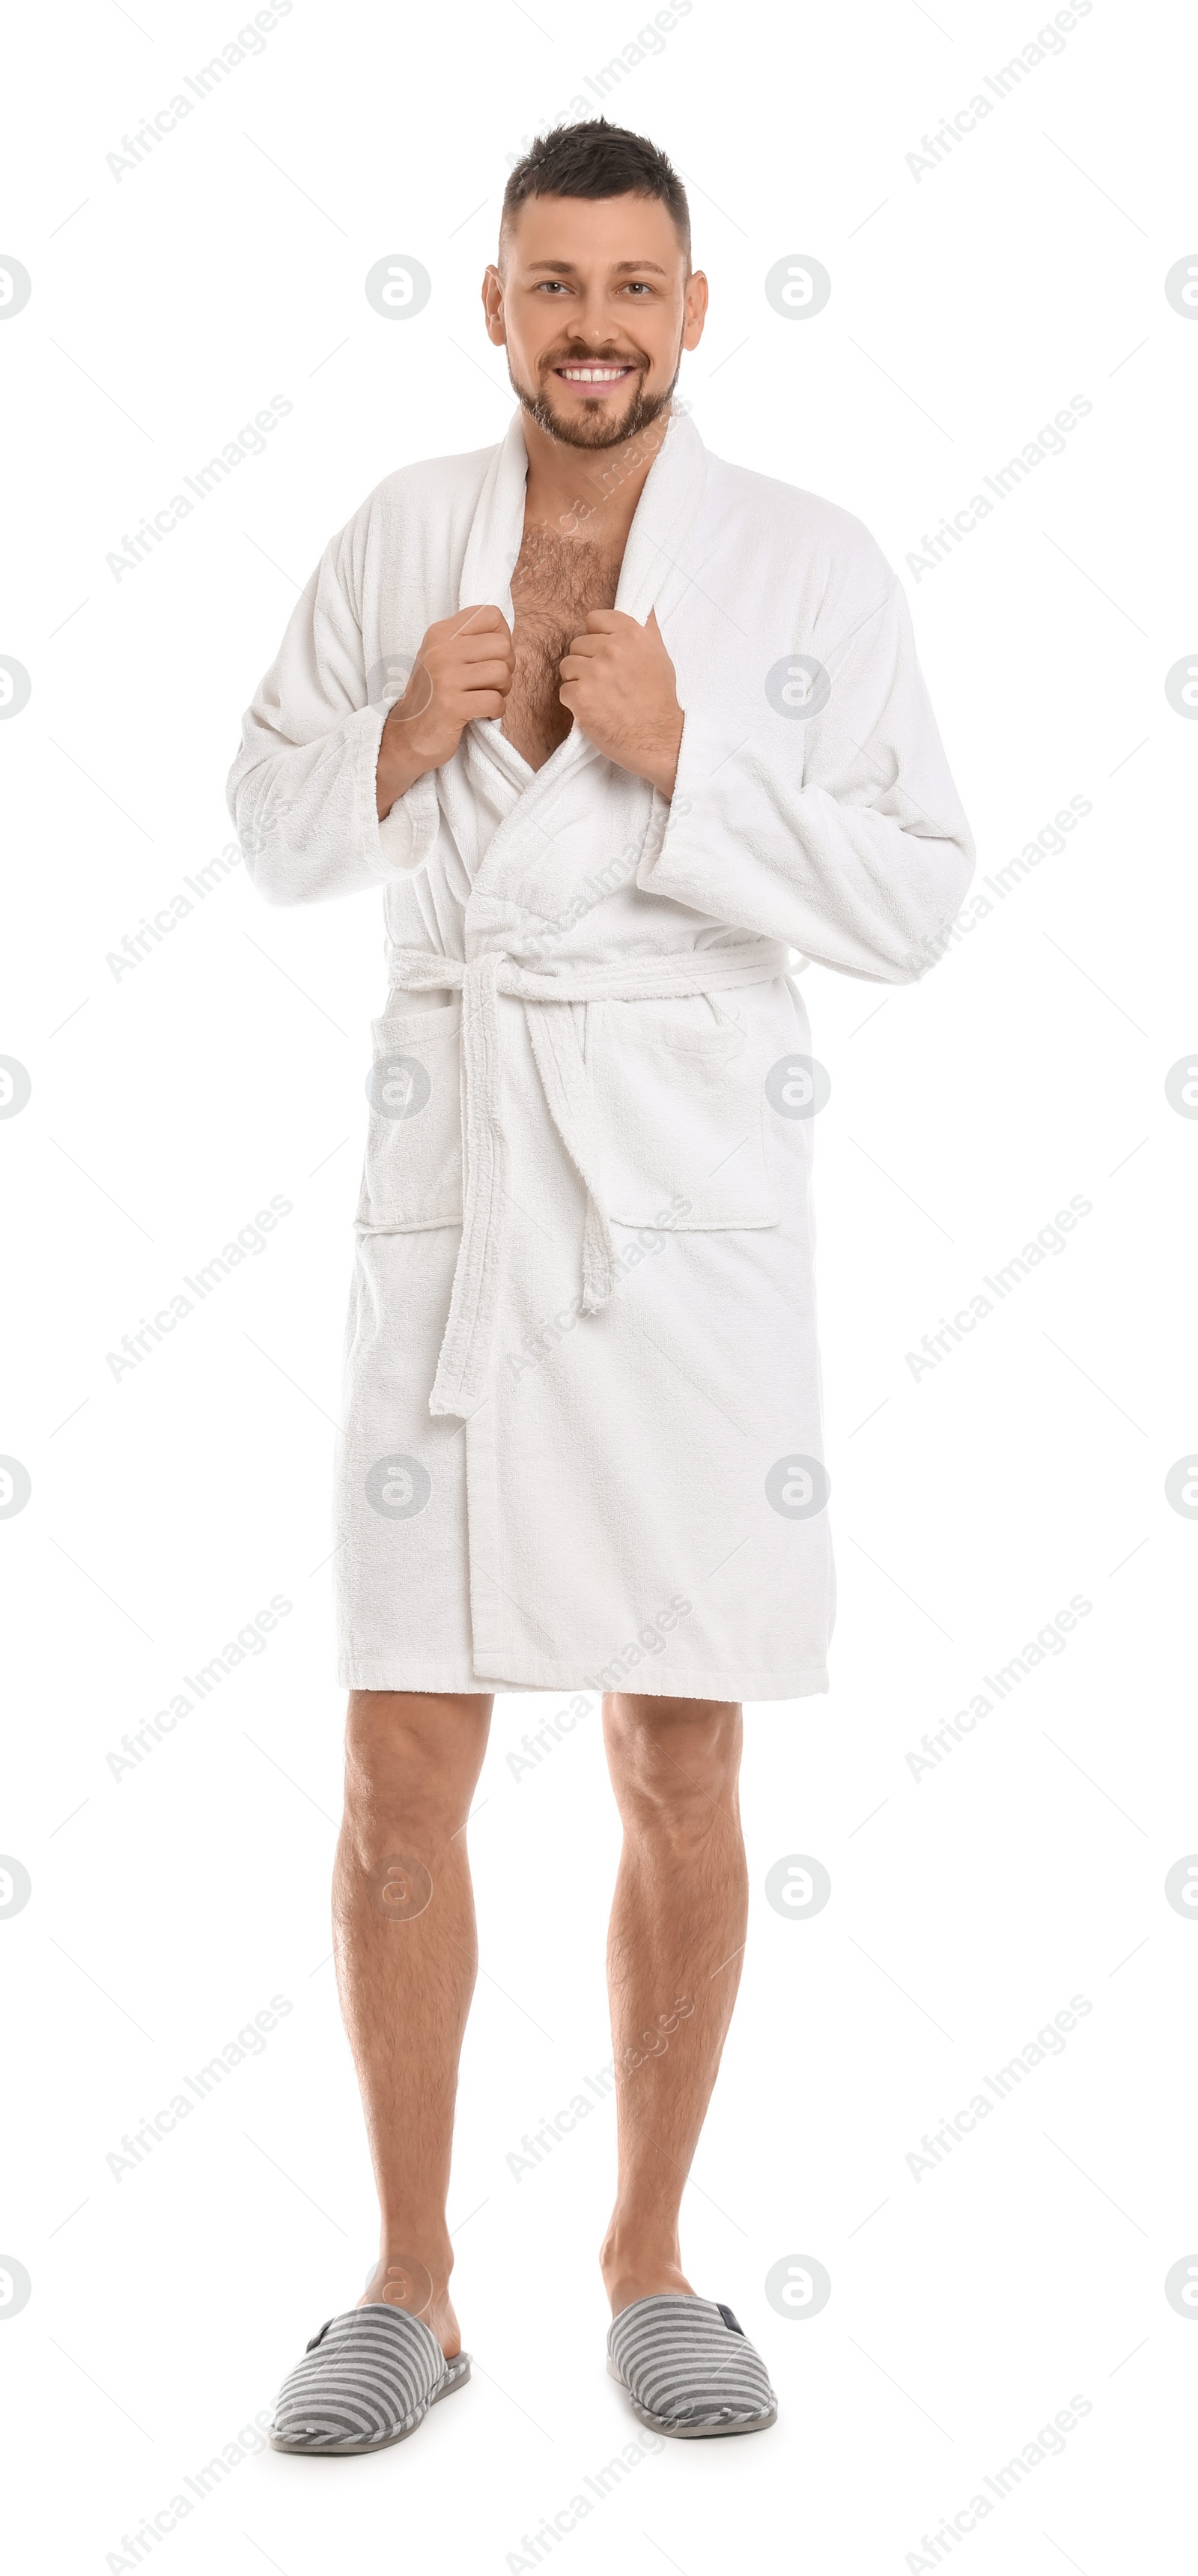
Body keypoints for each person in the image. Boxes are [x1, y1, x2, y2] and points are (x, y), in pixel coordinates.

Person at [227, 117, 973, 2456]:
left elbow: (922, 898)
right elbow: (260, 833)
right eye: (553, 286)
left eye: (633, 288)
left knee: (681, 1757)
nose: (592, 327)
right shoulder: (395, 546)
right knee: (391, 1775)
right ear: (493, 308)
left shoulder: (809, 567)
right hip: (457, 1202)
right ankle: (410, 2283)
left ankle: (650, 2257)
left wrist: (692, 762)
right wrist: (400, 734)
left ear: (695, 311)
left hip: (679, 1220)